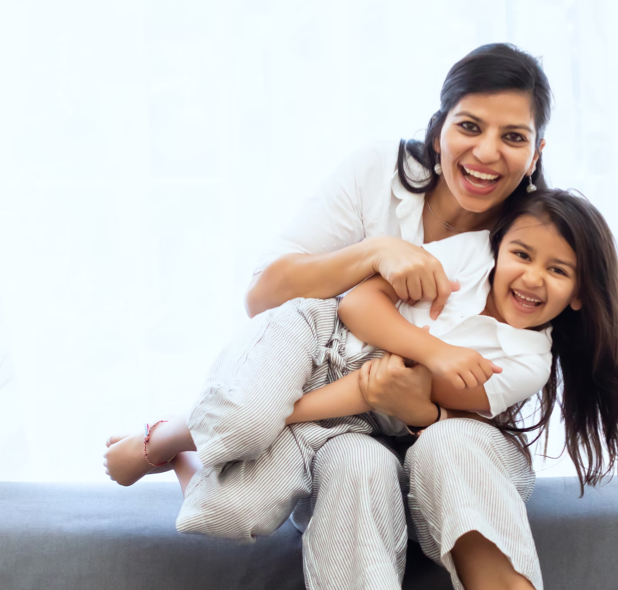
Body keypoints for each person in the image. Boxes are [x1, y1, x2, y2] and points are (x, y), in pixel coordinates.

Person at [104, 43, 615, 590]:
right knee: (339, 465)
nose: (488, 152)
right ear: (440, 125)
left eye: (513, 137)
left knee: (445, 443)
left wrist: (419, 406)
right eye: (470, 126)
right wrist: (373, 253)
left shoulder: (531, 231)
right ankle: (169, 438)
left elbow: (444, 392)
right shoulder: (396, 184)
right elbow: (267, 299)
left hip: (444, 430)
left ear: (535, 152)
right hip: (340, 402)